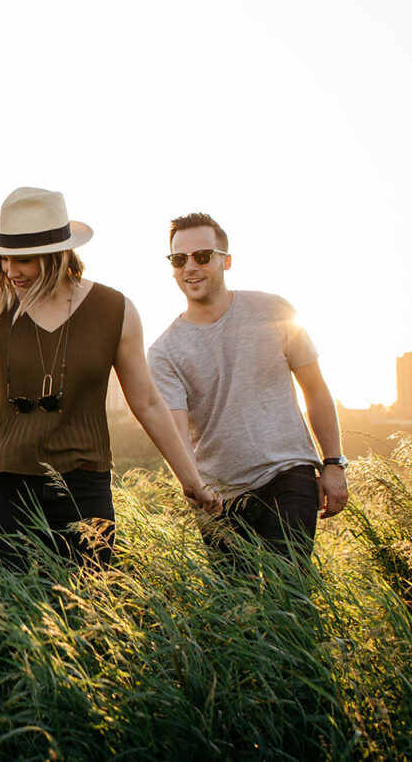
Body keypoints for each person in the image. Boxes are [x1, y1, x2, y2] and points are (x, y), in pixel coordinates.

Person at [0, 188, 222, 591]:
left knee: (84, 622)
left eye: (22, 259)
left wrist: (191, 481)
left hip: (84, 489)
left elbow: (147, 402)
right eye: (3, 258)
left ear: (56, 255)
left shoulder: (116, 311)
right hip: (1, 488)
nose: (10, 269)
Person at [147, 212, 348, 569]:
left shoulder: (274, 311)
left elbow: (315, 389)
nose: (190, 267)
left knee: (290, 591)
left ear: (226, 260)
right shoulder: (164, 352)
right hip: (217, 497)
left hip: (288, 474)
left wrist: (333, 464)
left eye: (202, 256)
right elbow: (176, 431)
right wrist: (192, 485)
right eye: (179, 260)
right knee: (237, 610)